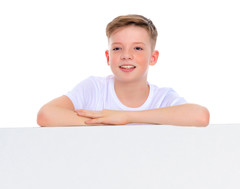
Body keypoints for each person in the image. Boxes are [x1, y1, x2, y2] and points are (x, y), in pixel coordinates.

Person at [37, 14, 210, 127]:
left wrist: (126, 117)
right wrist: (106, 123)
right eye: (118, 49)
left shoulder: (162, 98)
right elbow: (46, 115)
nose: (126, 56)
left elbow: (200, 116)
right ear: (108, 56)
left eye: (137, 49)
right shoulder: (94, 88)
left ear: (153, 58)